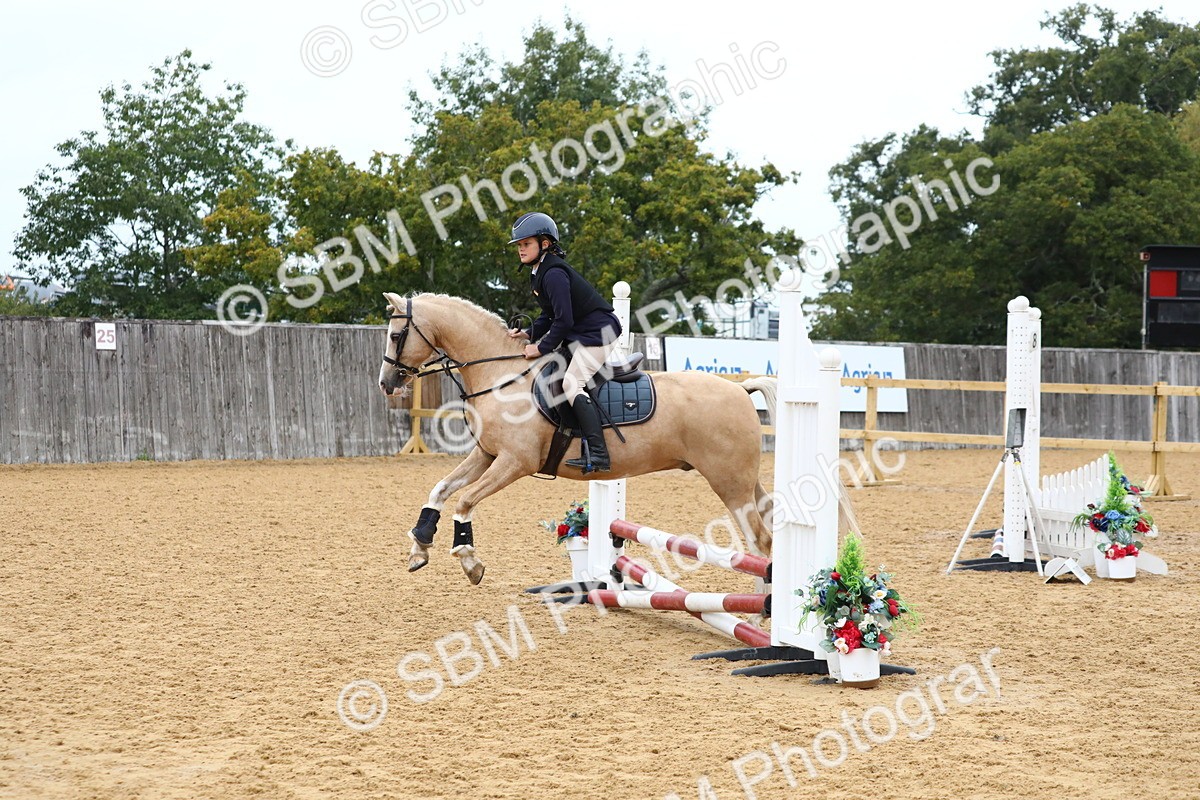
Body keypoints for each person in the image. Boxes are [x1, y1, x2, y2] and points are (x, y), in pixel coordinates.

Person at [506, 212, 621, 473]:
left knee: (571, 384)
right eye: (519, 245)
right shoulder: (538, 272)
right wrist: (528, 333)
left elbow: (564, 320)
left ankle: (600, 455)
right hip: (580, 334)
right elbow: (550, 315)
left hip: (598, 333)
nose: (521, 249)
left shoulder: (553, 273)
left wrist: (541, 347)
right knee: (552, 375)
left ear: (544, 244)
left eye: (526, 244)